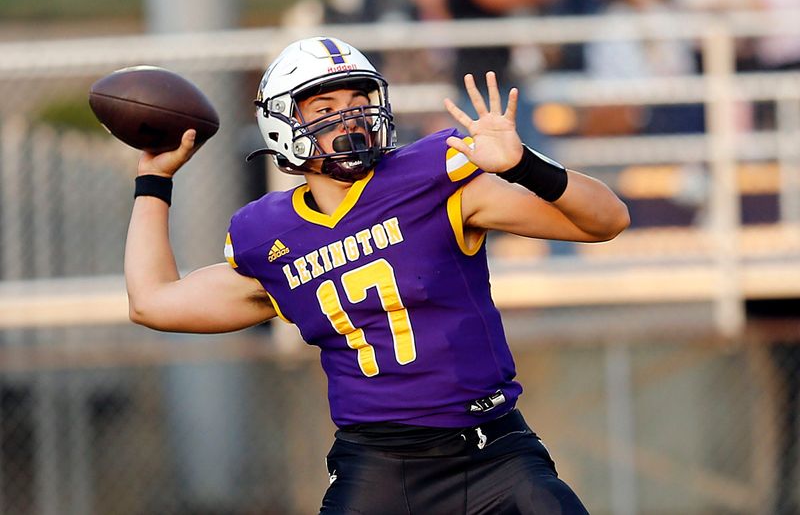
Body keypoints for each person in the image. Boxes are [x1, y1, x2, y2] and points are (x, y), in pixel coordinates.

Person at [126, 36, 629, 514]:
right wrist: (154, 179)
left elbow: (608, 221)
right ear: (281, 123)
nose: (350, 116)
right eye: (324, 109)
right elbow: (152, 302)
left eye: (358, 100)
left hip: (493, 453)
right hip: (379, 469)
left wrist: (522, 165)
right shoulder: (268, 236)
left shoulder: (436, 179)